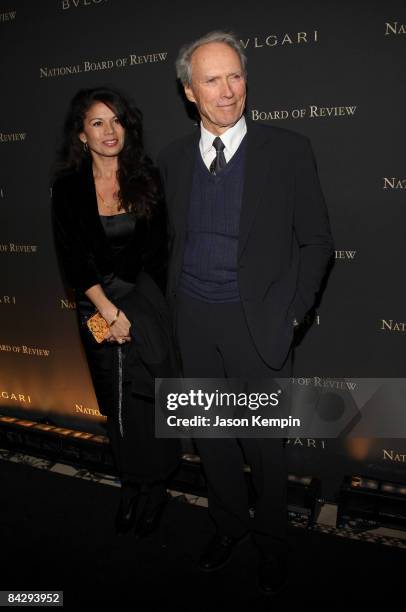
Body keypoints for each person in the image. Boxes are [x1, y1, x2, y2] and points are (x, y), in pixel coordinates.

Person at [158, 31, 334, 594]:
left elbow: (317, 241)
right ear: (190, 91)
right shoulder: (172, 159)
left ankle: (272, 540)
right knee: (211, 438)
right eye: (212, 79)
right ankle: (229, 525)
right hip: (192, 320)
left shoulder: (288, 149)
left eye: (235, 75)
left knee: (266, 446)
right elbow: (166, 243)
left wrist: (294, 314)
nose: (228, 90)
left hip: (258, 322)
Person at [52, 87, 180, 538]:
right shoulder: (67, 188)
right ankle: (132, 484)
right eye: (98, 123)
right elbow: (73, 258)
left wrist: (147, 315)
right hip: (95, 304)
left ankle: (157, 487)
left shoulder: (147, 178)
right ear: (82, 135)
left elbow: (158, 254)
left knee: (147, 400)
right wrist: (108, 312)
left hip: (144, 302)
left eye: (117, 120)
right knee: (117, 402)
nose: (110, 131)